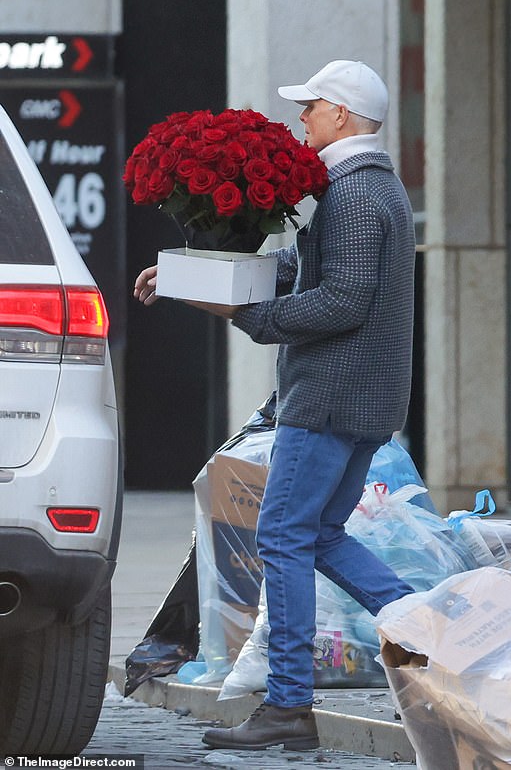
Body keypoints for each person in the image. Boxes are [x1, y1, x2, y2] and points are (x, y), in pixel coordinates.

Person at [134, 59, 417, 752]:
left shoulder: (353, 196)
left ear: (342, 116)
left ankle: (289, 704)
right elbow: (302, 267)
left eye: (312, 107)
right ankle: (433, 634)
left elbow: (342, 299)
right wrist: (184, 274)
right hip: (361, 399)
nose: (302, 118)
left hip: (326, 399)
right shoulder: (372, 189)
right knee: (317, 535)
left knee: (284, 537)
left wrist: (247, 316)